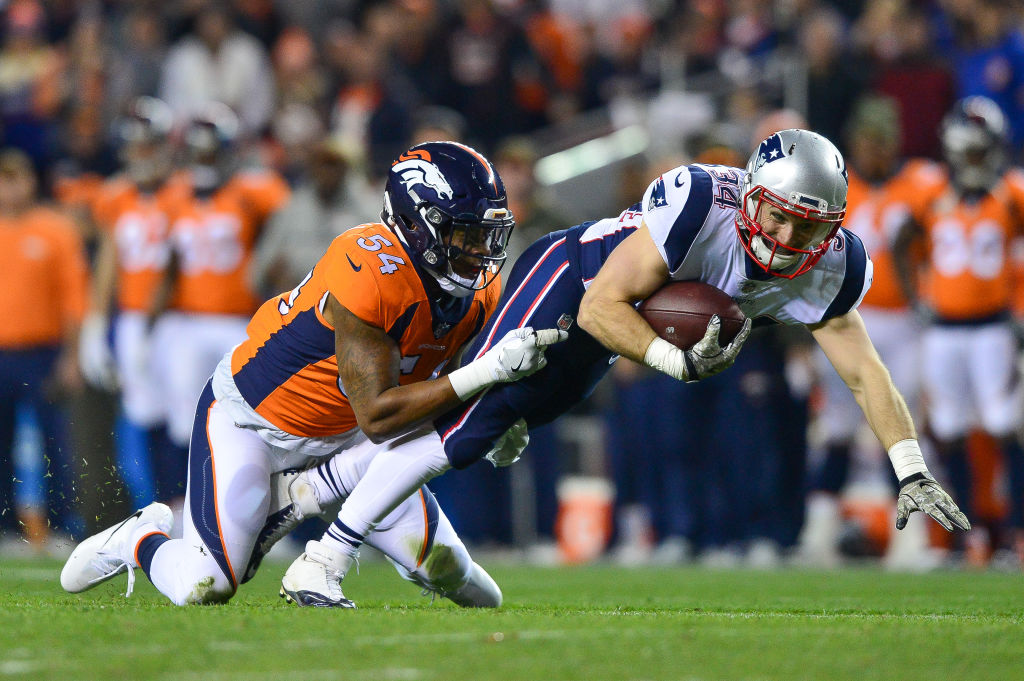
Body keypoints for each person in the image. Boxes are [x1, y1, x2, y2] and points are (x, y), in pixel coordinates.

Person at [261, 128, 971, 608]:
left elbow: (864, 371)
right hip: (574, 280)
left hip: (611, 331)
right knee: (470, 429)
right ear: (750, 196)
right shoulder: (701, 203)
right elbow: (603, 303)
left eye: (809, 227)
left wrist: (909, 466)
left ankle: (314, 483)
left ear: (835, 228)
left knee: (490, 424)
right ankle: (324, 556)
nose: (787, 240)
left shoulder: (835, 270)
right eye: (778, 217)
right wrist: (674, 358)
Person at [60, 141, 564, 607]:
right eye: (465, 234)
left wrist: (491, 420)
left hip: (348, 439)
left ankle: (308, 493)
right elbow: (380, 415)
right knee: (205, 583)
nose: (480, 251)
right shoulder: (367, 268)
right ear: (416, 223)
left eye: (485, 235)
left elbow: (437, 377)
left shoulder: (475, 293)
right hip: (256, 424)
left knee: (465, 583)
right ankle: (141, 538)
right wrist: (485, 375)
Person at [799, 96, 935, 567]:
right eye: (867, 140)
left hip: (905, 323)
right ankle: (818, 533)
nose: (874, 150)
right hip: (843, 319)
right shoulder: (836, 188)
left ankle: (913, 538)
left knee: (905, 426)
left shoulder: (923, 184)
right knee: (836, 427)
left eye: (882, 141)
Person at [893, 96, 1024, 561]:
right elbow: (901, 241)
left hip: (993, 327)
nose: (974, 161)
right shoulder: (931, 194)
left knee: (1003, 424)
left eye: (980, 151)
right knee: (947, 428)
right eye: (968, 152)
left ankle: (1012, 536)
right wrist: (915, 299)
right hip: (944, 329)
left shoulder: (1011, 193)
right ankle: (965, 535)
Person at [78, 97, 189, 509]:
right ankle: (164, 506)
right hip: (131, 319)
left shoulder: (185, 191)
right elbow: (108, 262)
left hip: (179, 320)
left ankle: (188, 505)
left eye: (149, 144)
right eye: (134, 145)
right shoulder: (115, 196)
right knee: (145, 414)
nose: (140, 154)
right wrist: (94, 325)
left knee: (185, 415)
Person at [0, 148, 89, 547]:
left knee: (56, 440)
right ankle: (5, 527)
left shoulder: (55, 229)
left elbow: (74, 297)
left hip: (43, 351)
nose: (8, 189)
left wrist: (72, 357)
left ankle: (60, 525)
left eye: (14, 178)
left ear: (29, 182)